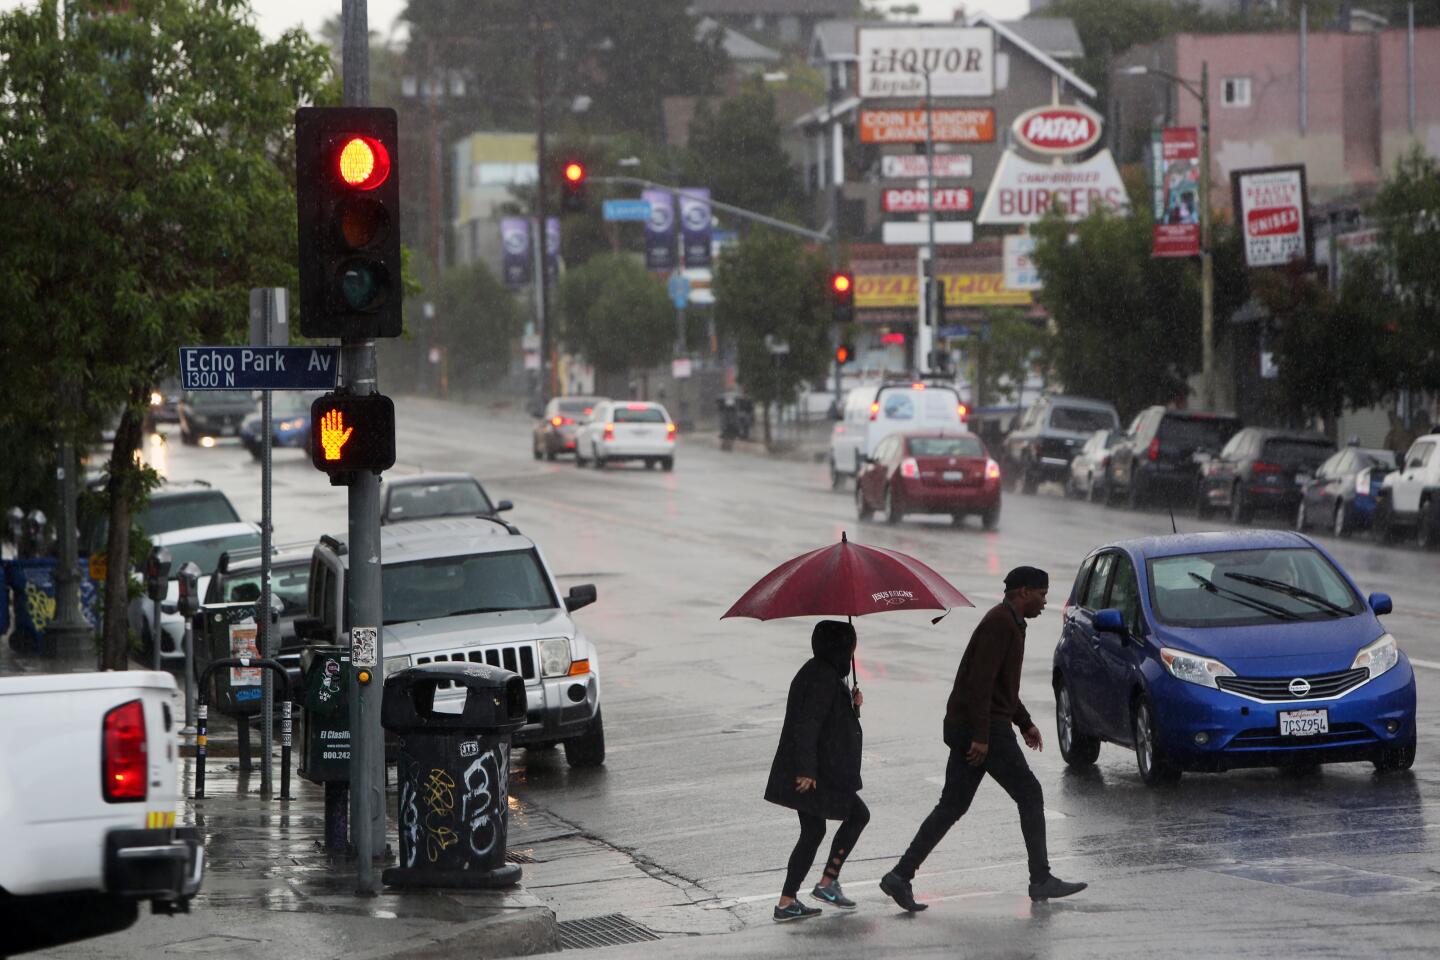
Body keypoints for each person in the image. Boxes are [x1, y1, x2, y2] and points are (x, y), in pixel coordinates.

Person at [879, 566, 1087, 913]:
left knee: (953, 805)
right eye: (1041, 593)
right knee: (1030, 793)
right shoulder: (1000, 623)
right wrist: (980, 736)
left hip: (980, 724)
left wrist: (1024, 722)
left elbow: (1001, 686)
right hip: (983, 727)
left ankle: (900, 876)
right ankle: (1040, 879)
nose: (1045, 600)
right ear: (1023, 592)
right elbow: (981, 683)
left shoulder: (1010, 622)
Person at [764, 620, 868, 922]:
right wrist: (807, 770)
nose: (851, 656)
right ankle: (826, 883)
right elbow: (808, 724)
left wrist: (853, 704)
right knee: (857, 816)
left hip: (817, 768)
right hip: (817, 772)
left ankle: (788, 901)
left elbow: (831, 719)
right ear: (840, 648)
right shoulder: (822, 677)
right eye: (850, 648)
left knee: (813, 831)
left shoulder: (819, 672)